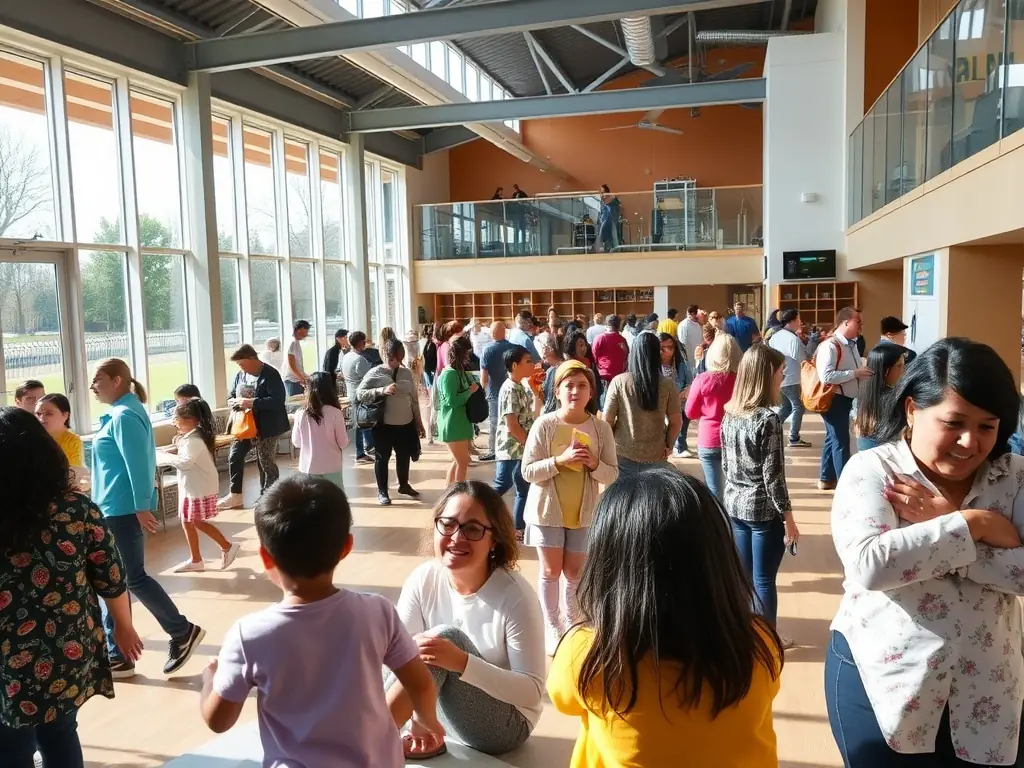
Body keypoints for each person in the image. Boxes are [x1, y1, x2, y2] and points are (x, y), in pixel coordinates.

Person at [826, 338, 1024, 766]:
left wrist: (944, 520)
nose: (969, 442)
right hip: (884, 681)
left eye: (987, 427)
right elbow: (872, 565)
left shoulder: (1015, 477)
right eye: (954, 423)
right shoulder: (874, 471)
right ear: (913, 410)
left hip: (988, 690)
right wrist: (976, 524)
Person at [201, 475, 443, 767]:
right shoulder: (377, 611)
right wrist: (427, 720)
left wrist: (210, 680)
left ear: (266, 557)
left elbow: (218, 721)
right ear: (346, 547)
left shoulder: (249, 635)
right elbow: (421, 684)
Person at [547, 469, 784, 767]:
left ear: (607, 566)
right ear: (718, 559)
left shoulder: (587, 655)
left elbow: (563, 700)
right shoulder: (759, 645)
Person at [0, 407, 144, 768]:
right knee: (60, 732)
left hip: (5, 654)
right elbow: (111, 577)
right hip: (65, 646)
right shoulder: (76, 509)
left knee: (10, 745)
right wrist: (123, 626)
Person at [390, 482, 545, 758]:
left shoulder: (516, 597)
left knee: (444, 638)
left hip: (505, 722)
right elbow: (397, 657)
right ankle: (366, 732)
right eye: (447, 524)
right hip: (436, 706)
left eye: (472, 529)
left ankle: (365, 744)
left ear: (494, 539)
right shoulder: (424, 578)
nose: (456, 537)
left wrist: (462, 663)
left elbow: (531, 692)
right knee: (376, 641)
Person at [89, 358, 204, 677]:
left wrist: (142, 505)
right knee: (116, 580)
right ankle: (117, 653)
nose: (93, 387)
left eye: (97, 380)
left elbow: (139, 463)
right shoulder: (122, 411)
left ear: (116, 380)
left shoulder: (124, 415)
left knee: (130, 578)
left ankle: (181, 632)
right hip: (113, 507)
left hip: (122, 508)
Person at [521, 360, 618, 653]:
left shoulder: (601, 428)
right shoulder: (544, 424)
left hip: (584, 513)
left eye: (582, 386)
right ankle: (552, 623)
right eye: (569, 386)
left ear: (591, 392)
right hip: (546, 512)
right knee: (551, 570)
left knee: (574, 573)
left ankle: (572, 618)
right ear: (558, 391)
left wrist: (594, 464)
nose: (575, 391)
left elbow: (612, 474)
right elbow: (527, 471)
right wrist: (559, 461)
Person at [722, 344, 801, 637]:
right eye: (781, 372)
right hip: (763, 510)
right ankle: (768, 640)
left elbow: (726, 465)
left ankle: (747, 635)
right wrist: (789, 518)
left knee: (745, 579)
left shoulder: (730, 413)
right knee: (764, 579)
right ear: (767, 375)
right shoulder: (768, 419)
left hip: (735, 504)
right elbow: (774, 477)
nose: (783, 377)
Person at [157, 398, 239, 574]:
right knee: (188, 521)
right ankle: (197, 559)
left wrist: (164, 457)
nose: (174, 423)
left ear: (192, 420)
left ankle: (226, 547)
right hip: (194, 485)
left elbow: (185, 462)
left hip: (198, 487)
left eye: (177, 419)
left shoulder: (194, 440)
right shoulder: (192, 437)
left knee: (195, 521)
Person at [220, 345, 289, 509]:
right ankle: (235, 494)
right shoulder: (240, 375)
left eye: (242, 363)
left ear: (252, 359)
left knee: (265, 461)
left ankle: (269, 495)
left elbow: (277, 400)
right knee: (235, 456)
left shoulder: (270, 374)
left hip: (267, 426)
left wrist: (252, 402)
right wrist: (232, 401)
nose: (240, 367)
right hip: (243, 425)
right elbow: (232, 394)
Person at [603, 331, 681, 476]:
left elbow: (606, 421)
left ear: (633, 354)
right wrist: (668, 445)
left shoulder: (619, 382)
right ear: (657, 355)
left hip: (623, 455)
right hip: (656, 455)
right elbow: (676, 422)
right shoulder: (667, 385)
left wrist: (610, 445)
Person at [357, 338, 423, 506]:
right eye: (391, 359)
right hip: (384, 426)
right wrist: (381, 390)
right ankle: (382, 491)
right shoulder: (375, 372)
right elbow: (360, 394)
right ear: (385, 355)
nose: (394, 363)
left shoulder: (406, 373)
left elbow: (414, 399)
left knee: (404, 456)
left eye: (398, 359)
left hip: (405, 424)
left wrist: (419, 422)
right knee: (382, 458)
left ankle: (404, 485)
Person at [815, 307, 873, 491]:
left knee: (832, 438)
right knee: (841, 441)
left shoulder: (852, 344)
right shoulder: (830, 346)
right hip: (834, 399)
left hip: (846, 399)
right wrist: (855, 373)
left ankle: (826, 478)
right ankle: (845, 486)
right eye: (858, 322)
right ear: (846, 322)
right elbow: (826, 376)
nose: (861, 326)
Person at [685, 334, 742, 499]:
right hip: (736, 438)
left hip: (709, 438)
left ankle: (717, 516)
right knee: (736, 487)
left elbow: (690, 412)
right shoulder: (741, 380)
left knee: (713, 489)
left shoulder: (702, 379)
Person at [494, 345, 535, 537]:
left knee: (523, 488)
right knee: (502, 485)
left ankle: (519, 527)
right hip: (511, 449)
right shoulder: (510, 389)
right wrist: (529, 443)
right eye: (527, 361)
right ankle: (478, 508)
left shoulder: (520, 386)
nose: (532, 364)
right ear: (514, 365)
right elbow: (512, 424)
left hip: (520, 448)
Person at [291, 371, 350, 490]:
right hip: (332, 466)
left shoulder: (300, 414)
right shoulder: (335, 413)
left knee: (310, 499)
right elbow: (343, 443)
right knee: (334, 498)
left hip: (307, 467)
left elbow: (296, 442)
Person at [767, 308, 812, 448]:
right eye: (798, 319)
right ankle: (793, 437)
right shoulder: (792, 339)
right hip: (792, 378)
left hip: (779, 377)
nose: (800, 322)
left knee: (786, 407)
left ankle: (769, 431)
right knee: (798, 407)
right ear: (792, 321)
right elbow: (802, 359)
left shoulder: (775, 337)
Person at [436, 336, 478, 484]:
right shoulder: (450, 374)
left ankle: (450, 491)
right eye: (466, 353)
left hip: (460, 422)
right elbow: (451, 400)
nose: (468, 357)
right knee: (462, 462)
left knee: (458, 461)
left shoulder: (458, 372)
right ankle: (458, 490)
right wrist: (469, 391)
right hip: (453, 422)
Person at [853, 343, 907, 452]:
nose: (903, 370)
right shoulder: (895, 400)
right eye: (899, 366)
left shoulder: (862, 394)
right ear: (885, 370)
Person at [480, 321, 515, 463]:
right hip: (512, 390)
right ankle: (511, 448)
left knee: (494, 423)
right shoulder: (514, 348)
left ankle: (493, 451)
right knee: (513, 420)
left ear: (493, 333)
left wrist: (483, 390)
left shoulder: (487, 350)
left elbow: (484, 377)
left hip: (494, 392)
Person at [342, 331, 376, 465]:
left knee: (362, 422)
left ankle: (368, 447)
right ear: (361, 343)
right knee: (361, 423)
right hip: (360, 394)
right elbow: (369, 377)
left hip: (351, 393)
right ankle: (360, 452)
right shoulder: (359, 360)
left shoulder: (346, 356)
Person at [659, 333, 694, 459]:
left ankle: (680, 445)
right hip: (660, 404)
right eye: (662, 348)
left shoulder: (681, 365)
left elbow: (690, 383)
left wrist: (683, 393)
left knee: (683, 415)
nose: (667, 351)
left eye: (670, 347)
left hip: (680, 402)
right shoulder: (653, 367)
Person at [35, 393, 83, 468]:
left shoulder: (72, 441)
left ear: (65, 415)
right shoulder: (33, 437)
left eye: (49, 413)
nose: (41, 418)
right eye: (38, 414)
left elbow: (73, 470)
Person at [591, 315, 629, 405]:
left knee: (605, 398)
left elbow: (594, 354)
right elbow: (626, 354)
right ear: (618, 325)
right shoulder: (622, 340)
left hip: (603, 373)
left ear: (606, 324)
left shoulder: (599, 338)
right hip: (618, 374)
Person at [562, 327, 604, 408]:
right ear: (572, 347)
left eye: (585, 345)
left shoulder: (589, 363)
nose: (584, 348)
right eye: (580, 345)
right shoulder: (568, 365)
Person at [282, 320, 311, 396]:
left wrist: (304, 376)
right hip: (292, 380)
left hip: (296, 378)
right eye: (306, 331)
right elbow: (291, 365)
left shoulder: (295, 342)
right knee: (295, 401)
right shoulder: (293, 343)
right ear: (300, 329)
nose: (306, 334)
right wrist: (302, 378)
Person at [677, 304, 703, 370]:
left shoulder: (697, 325)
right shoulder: (683, 325)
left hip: (697, 355)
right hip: (688, 357)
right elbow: (682, 342)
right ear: (693, 314)